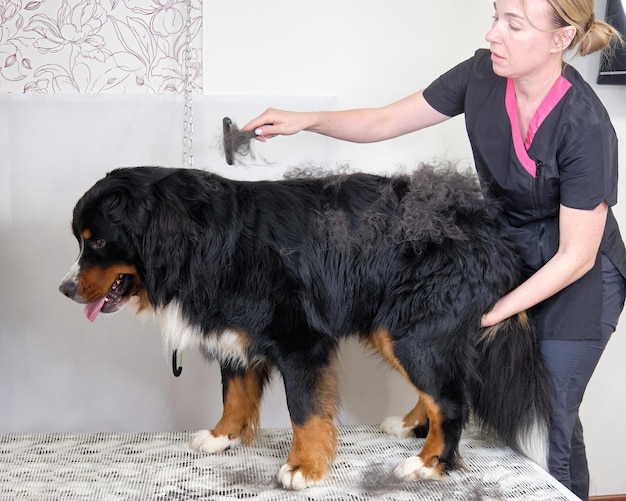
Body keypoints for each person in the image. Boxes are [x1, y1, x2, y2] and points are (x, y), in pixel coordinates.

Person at [242, 0, 626, 499]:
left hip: (579, 278)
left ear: (560, 38)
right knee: (494, 414)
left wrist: (488, 314)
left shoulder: (586, 127)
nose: (494, 34)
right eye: (495, 16)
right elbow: (384, 121)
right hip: (506, 258)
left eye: (513, 24)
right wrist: (305, 119)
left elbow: (576, 255)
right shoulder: (480, 75)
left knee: (547, 418)